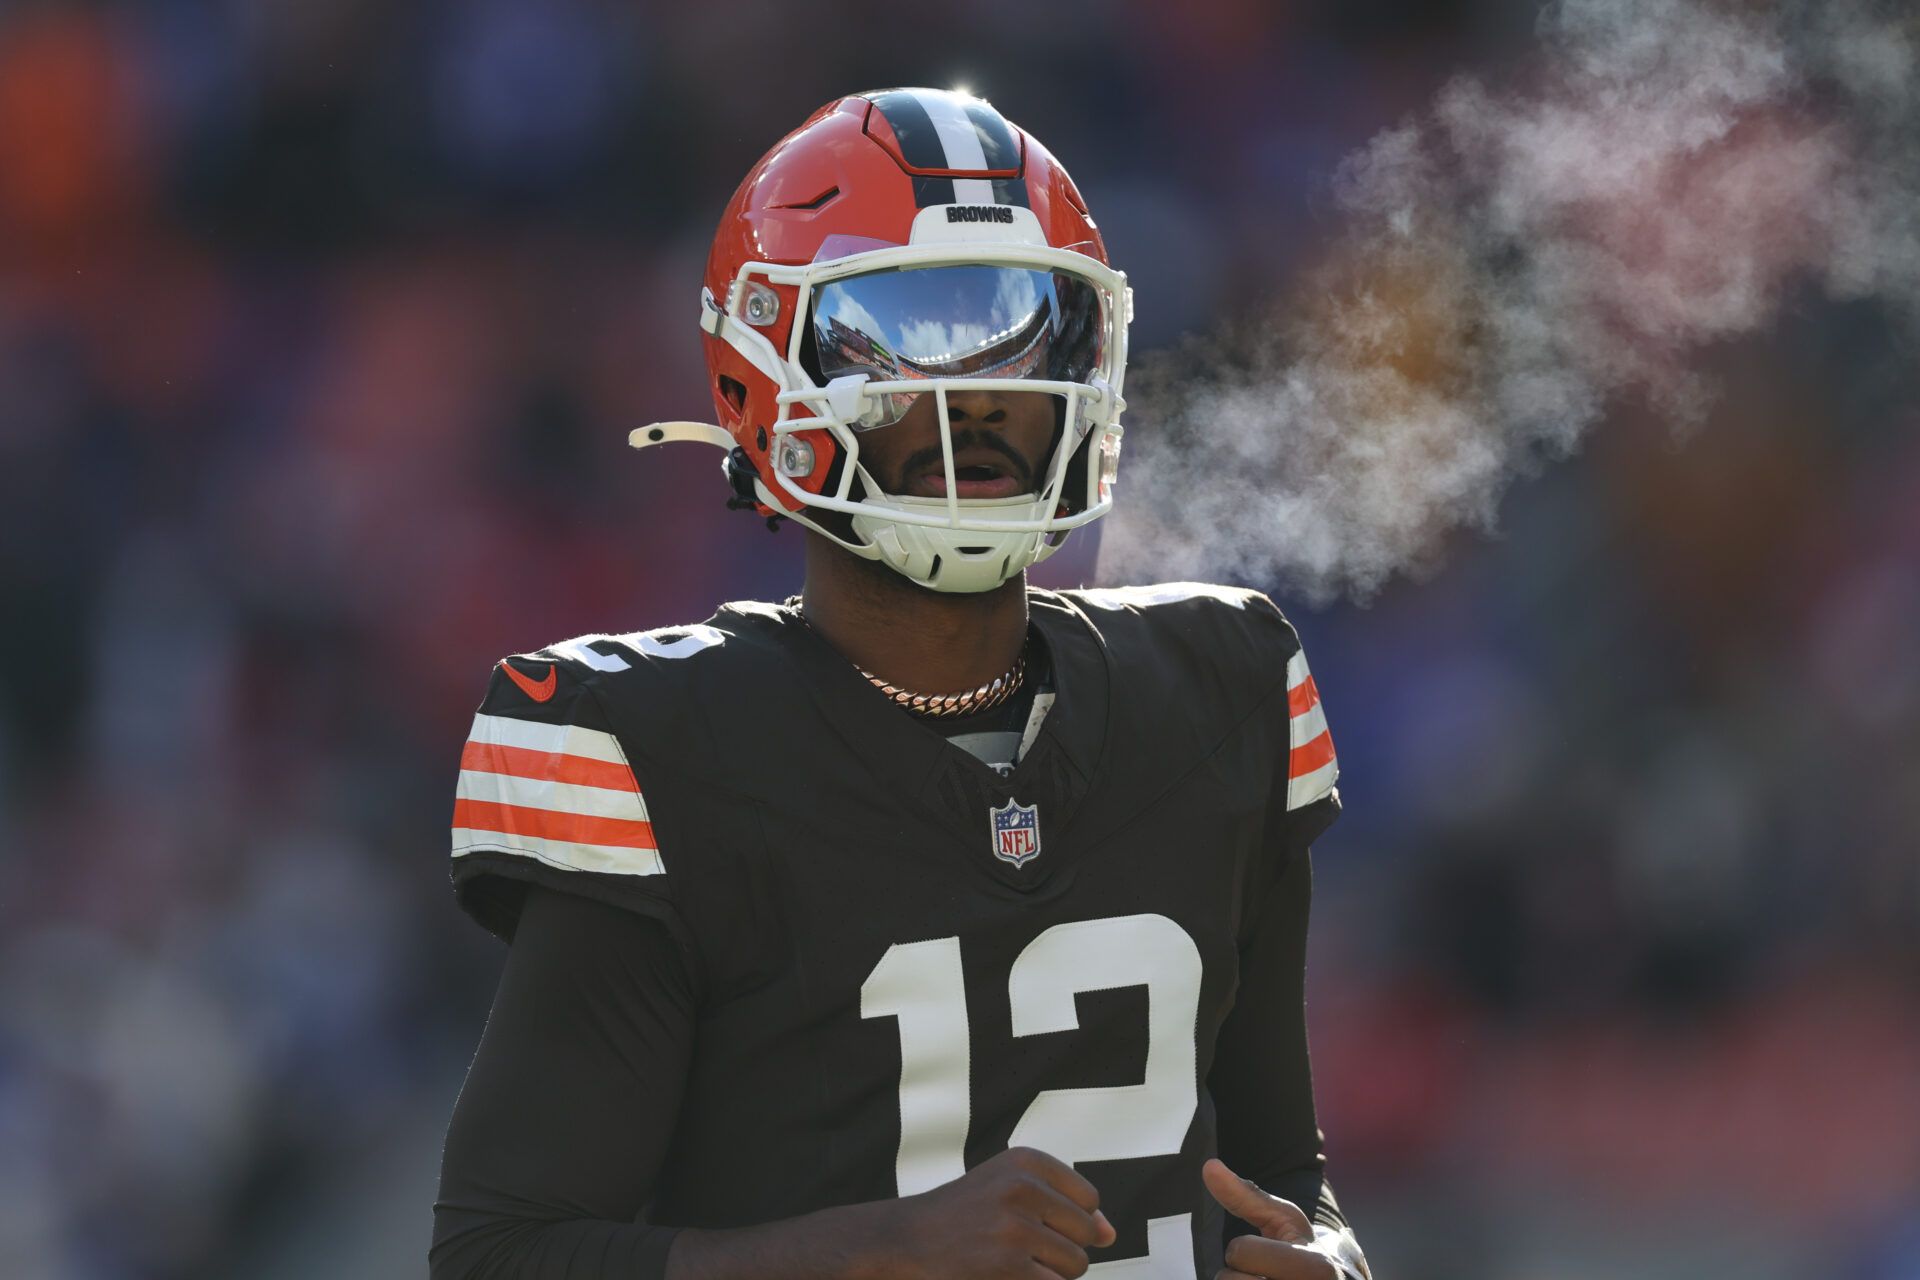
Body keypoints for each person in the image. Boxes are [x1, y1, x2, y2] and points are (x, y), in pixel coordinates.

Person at [431, 88, 1370, 1280]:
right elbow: (500, 1254)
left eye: (1022, 325)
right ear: (759, 368)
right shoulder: (655, 743)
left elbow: (1284, 1171)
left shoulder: (1219, 687)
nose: (975, 389)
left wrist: (1328, 1253)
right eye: (908, 329)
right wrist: (883, 1251)